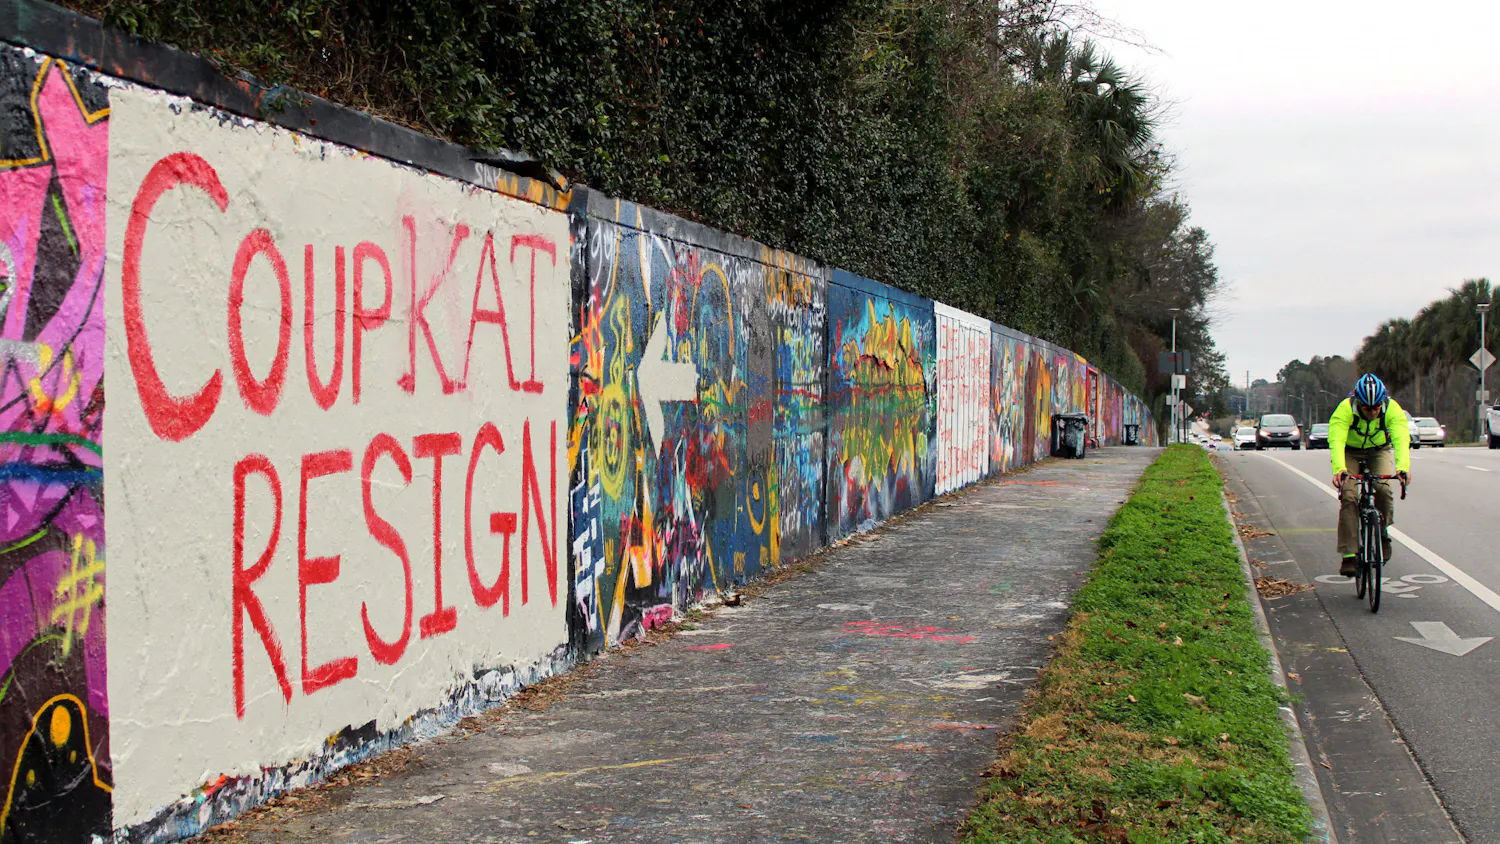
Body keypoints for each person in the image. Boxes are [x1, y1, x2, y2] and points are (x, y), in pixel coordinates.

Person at [1327, 373, 1410, 577]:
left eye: (1376, 407)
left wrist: (1402, 468)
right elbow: (1336, 441)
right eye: (1366, 408)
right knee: (1349, 496)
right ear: (1358, 403)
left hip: (1378, 450)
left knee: (1383, 489)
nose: (1373, 412)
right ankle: (1348, 554)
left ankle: (1382, 532)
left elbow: (1400, 438)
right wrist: (1339, 469)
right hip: (1350, 452)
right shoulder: (1344, 410)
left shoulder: (1392, 408)